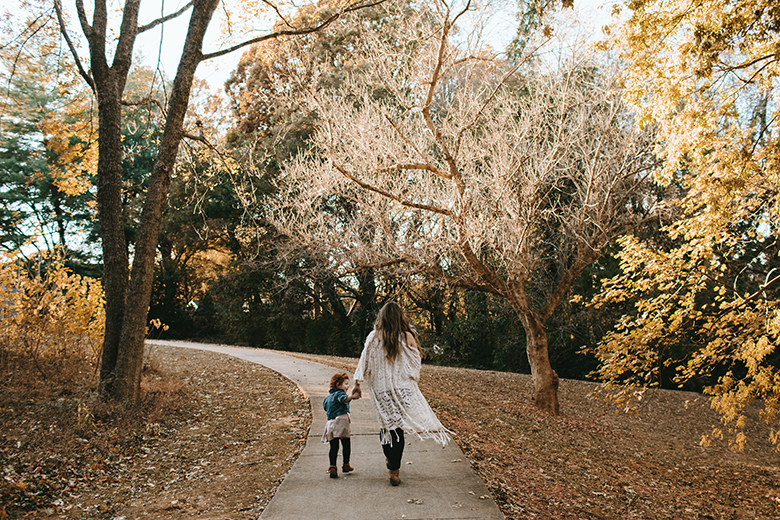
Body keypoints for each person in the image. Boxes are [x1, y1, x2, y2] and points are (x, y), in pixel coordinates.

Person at [352, 301, 450, 486]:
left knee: (386, 427)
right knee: (398, 428)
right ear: (400, 317)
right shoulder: (408, 336)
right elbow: (416, 361)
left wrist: (357, 384)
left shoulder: (374, 337)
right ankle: (394, 470)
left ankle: (390, 461)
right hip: (402, 389)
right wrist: (410, 377)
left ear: (381, 317)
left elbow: (363, 362)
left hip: (381, 390)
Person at [322, 372, 359, 478]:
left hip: (330, 423)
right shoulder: (339, 393)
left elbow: (325, 407)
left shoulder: (327, 397)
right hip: (341, 422)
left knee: (334, 447)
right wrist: (353, 396)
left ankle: (333, 466)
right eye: (346, 384)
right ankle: (346, 464)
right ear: (338, 385)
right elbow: (343, 398)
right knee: (346, 444)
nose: (347, 387)